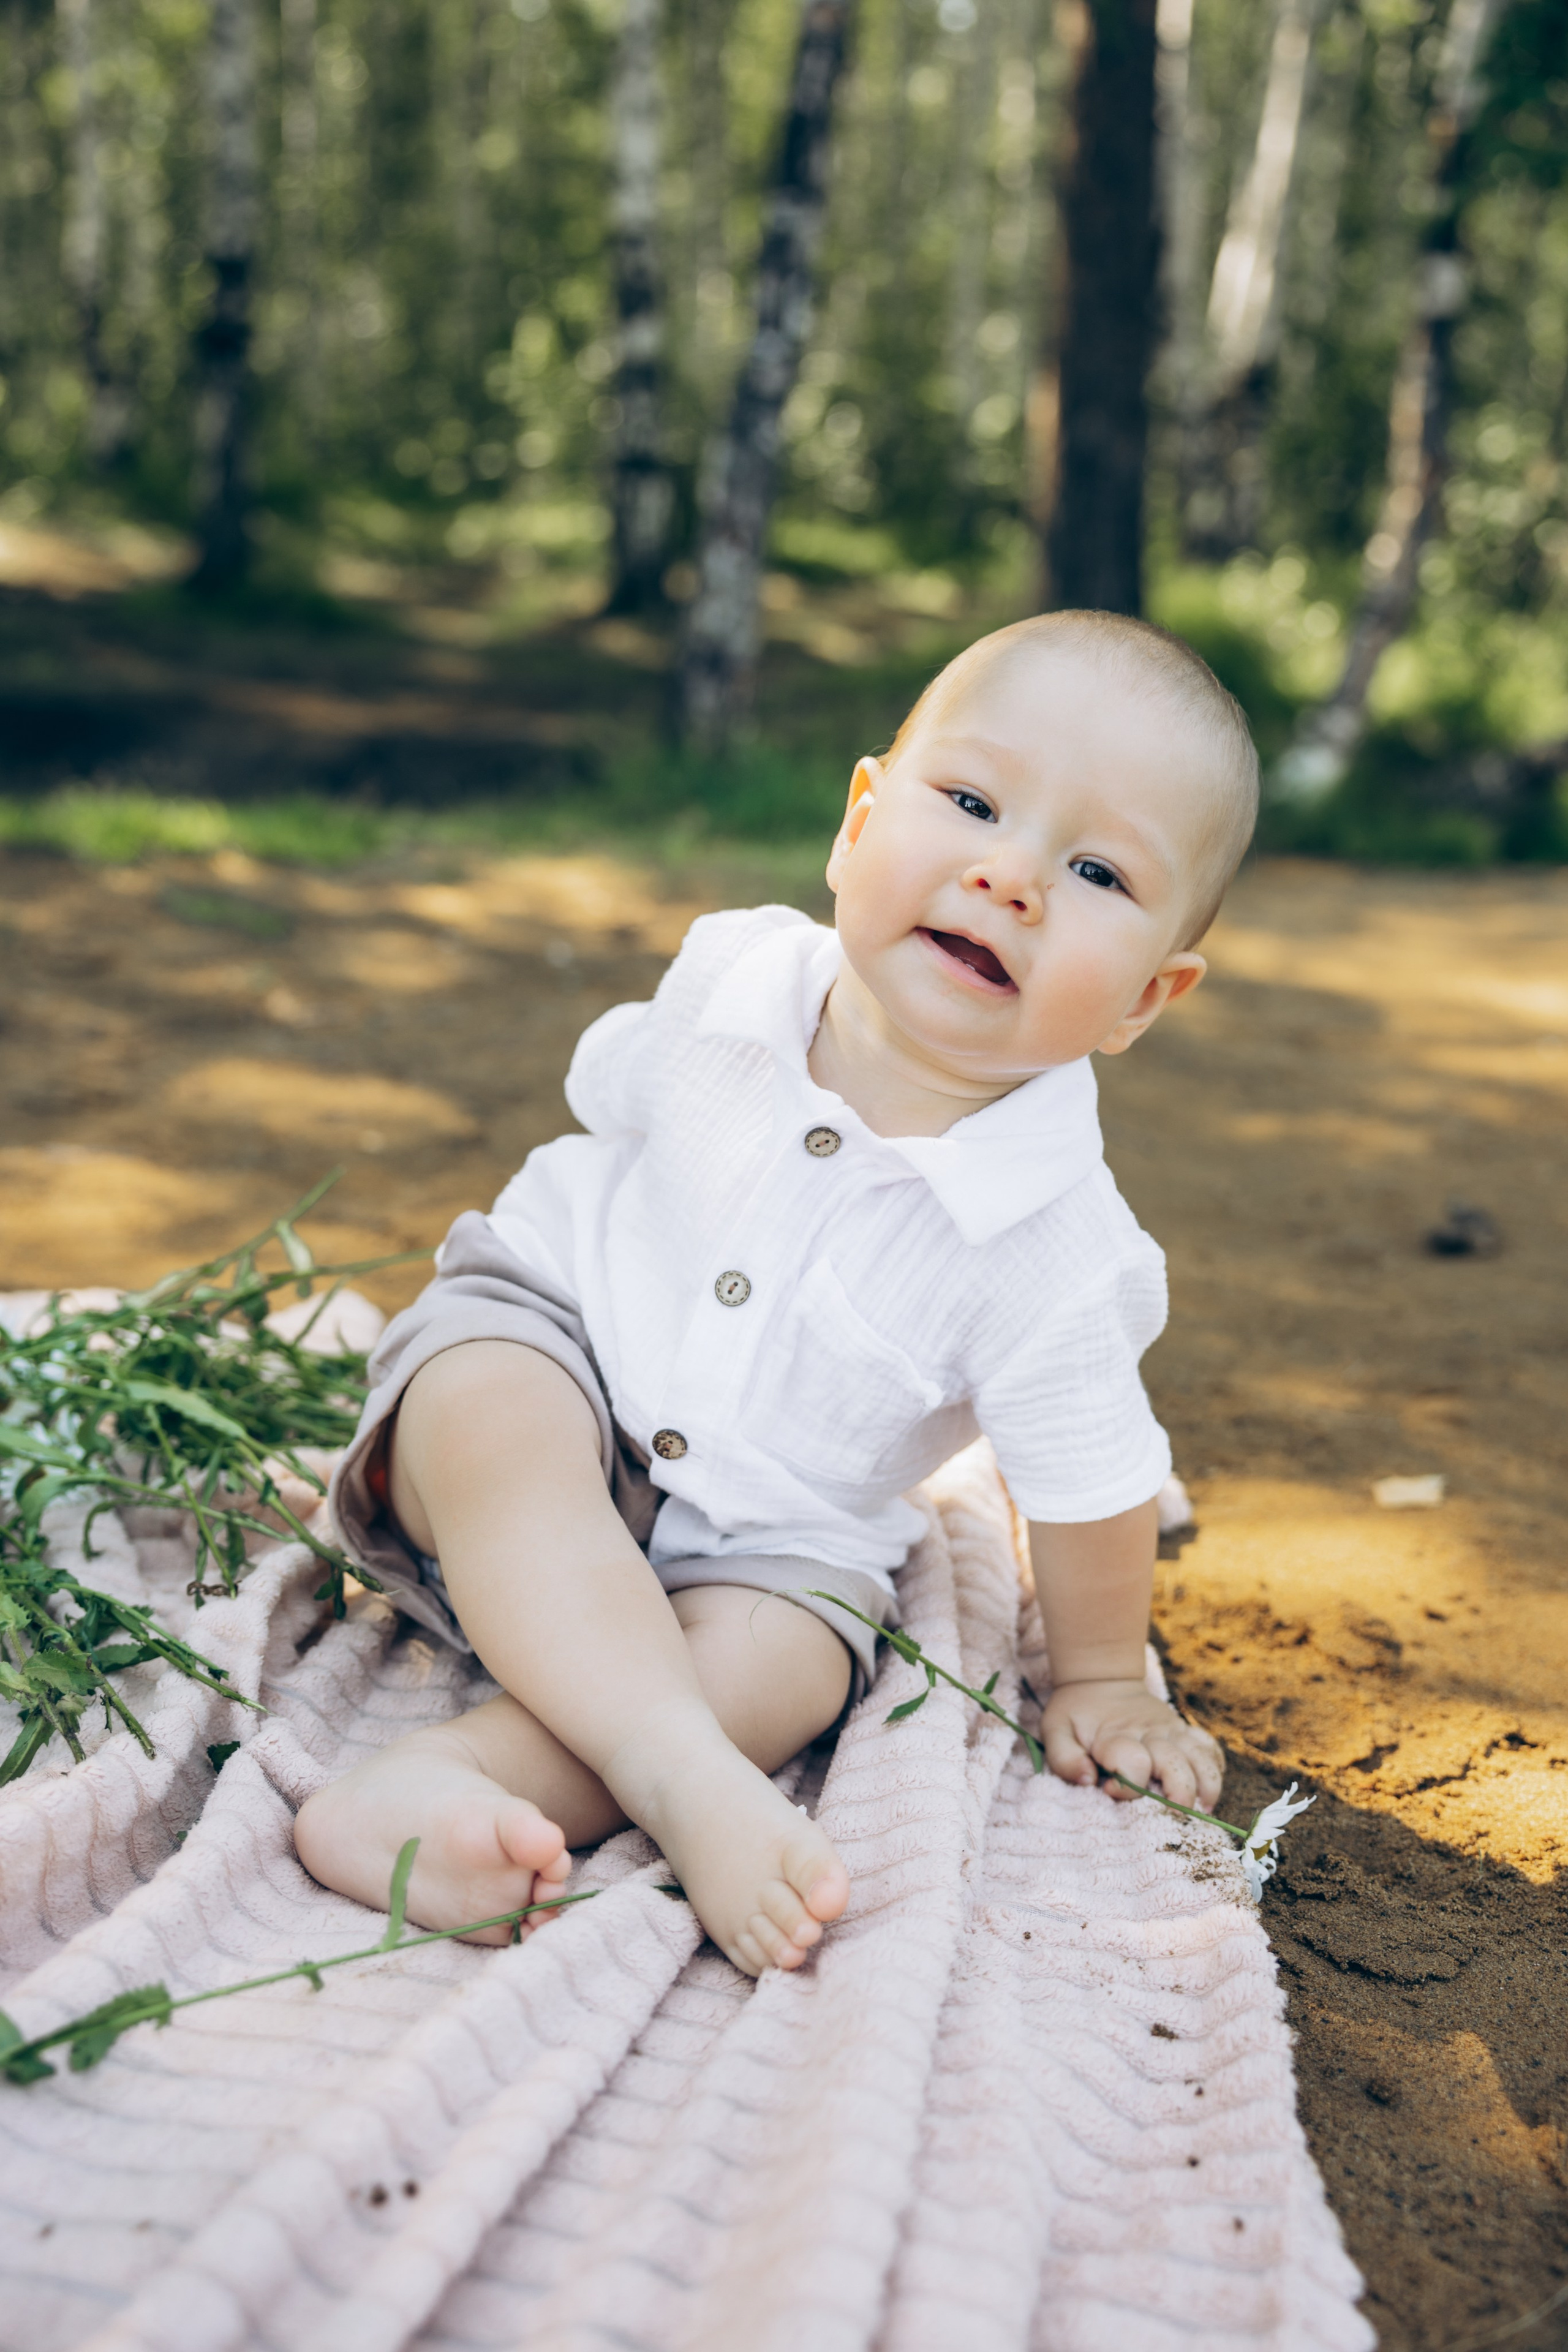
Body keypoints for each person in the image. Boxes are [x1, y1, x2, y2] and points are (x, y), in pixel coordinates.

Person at [295, 611, 1255, 1978]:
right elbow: (608, 1106)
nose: (1010, 876)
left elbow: (1088, 1480)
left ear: (1145, 1000)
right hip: (559, 1351)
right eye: (972, 802)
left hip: (764, 1534)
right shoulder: (729, 982)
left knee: (792, 1665)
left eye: (1095, 869)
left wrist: (1101, 1675)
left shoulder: (1056, 1248)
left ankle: (445, 1784)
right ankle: (677, 1772)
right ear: (857, 825)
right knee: (493, 1412)